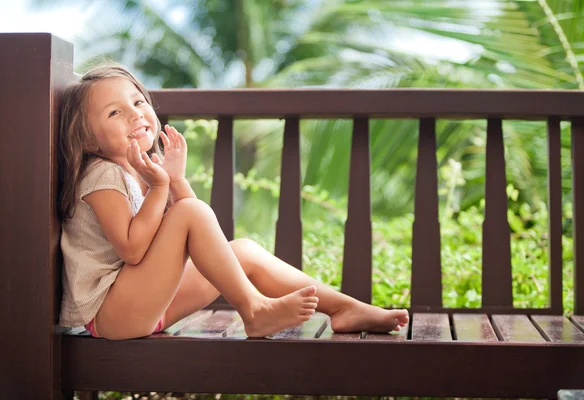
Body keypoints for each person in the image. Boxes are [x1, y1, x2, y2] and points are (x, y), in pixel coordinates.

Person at [58, 63, 409, 340]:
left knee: (240, 250)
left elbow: (196, 234)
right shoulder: (101, 175)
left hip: (147, 303)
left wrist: (175, 180)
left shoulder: (139, 170)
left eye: (137, 102)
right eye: (114, 113)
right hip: (113, 315)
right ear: (88, 139)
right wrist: (161, 187)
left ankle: (343, 308)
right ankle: (254, 311)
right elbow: (133, 250)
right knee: (192, 212)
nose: (134, 114)